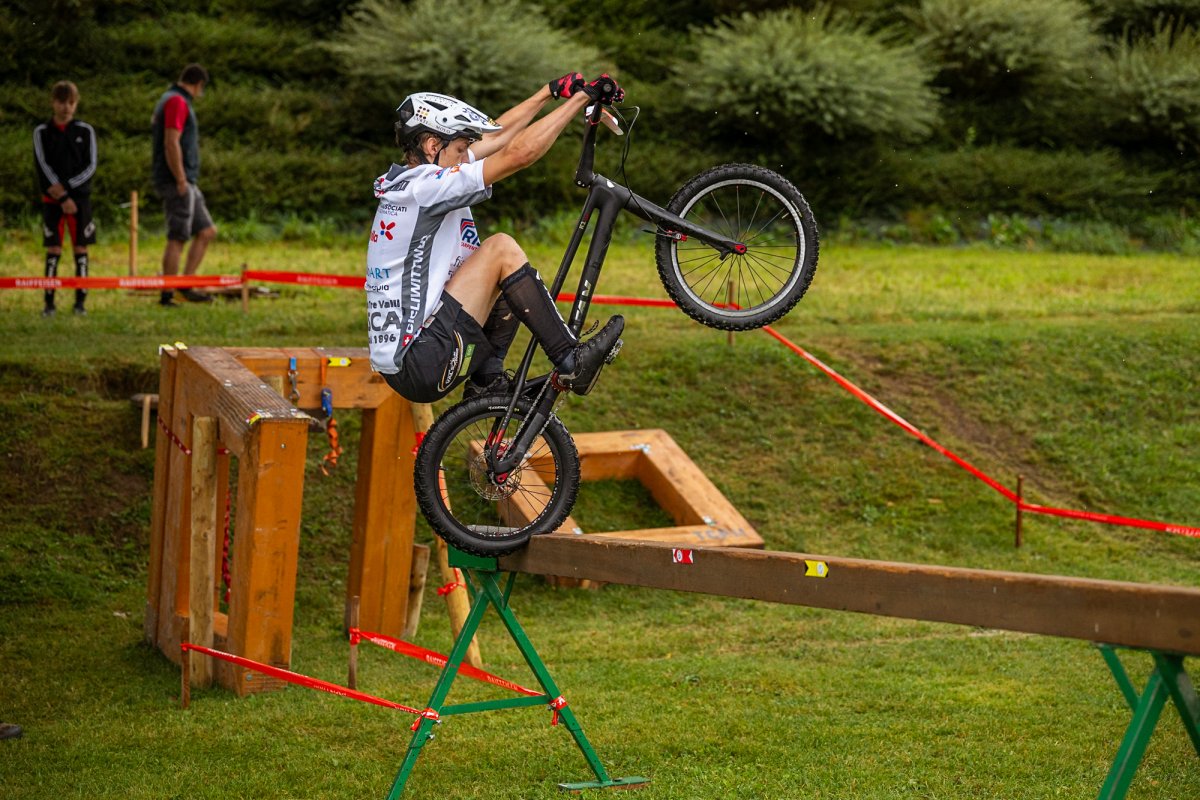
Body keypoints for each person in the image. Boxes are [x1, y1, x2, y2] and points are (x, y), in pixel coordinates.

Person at [367, 74, 626, 404]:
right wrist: (580, 100)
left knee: (503, 273)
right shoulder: (426, 187)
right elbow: (517, 155)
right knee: (501, 249)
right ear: (433, 146)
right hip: (419, 360)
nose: (468, 156)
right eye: (462, 149)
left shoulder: (416, 181)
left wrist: (549, 92)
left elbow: (500, 136)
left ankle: (486, 381)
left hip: (413, 359)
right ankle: (571, 360)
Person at [151, 63, 216, 307]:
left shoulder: (169, 99)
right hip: (178, 180)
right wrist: (179, 178)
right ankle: (167, 294)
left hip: (187, 180)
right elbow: (171, 142)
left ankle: (185, 285)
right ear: (198, 84)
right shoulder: (177, 102)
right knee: (178, 236)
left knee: (207, 231)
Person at [33, 80, 97, 317]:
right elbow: (43, 166)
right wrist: (61, 198)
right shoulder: (42, 132)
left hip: (79, 201)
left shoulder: (85, 131)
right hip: (53, 202)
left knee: (81, 248)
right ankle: (48, 303)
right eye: (62, 102)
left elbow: (90, 167)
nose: (66, 108)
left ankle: (80, 302)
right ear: (53, 103)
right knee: (54, 249)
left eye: (71, 103)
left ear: (76, 104)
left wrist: (69, 192)